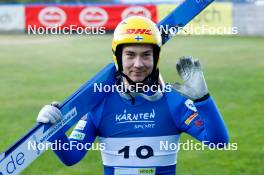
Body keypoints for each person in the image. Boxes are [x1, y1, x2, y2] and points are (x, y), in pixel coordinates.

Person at [37, 16, 229, 175]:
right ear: (118, 58)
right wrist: (55, 130)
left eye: (146, 55)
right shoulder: (100, 102)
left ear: (156, 58)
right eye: (130, 55)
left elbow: (218, 143)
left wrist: (203, 100)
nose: (138, 64)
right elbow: (71, 156)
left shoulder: (173, 101)